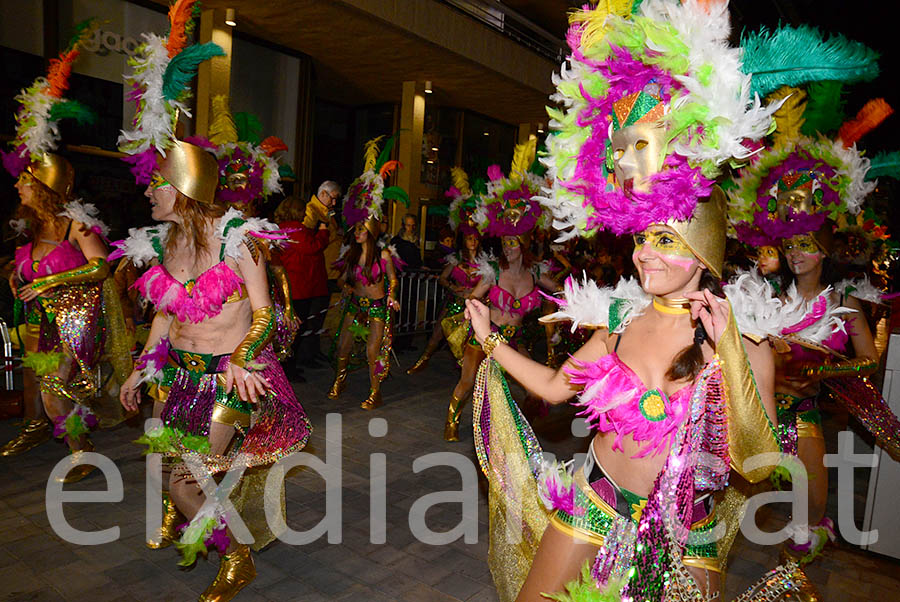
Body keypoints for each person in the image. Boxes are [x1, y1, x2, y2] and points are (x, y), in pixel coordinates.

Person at [468, 2, 791, 599]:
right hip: (593, 501)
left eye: (666, 241)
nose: (645, 255)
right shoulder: (619, 320)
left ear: (704, 251)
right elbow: (554, 388)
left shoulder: (743, 342)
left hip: (680, 536)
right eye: (643, 239)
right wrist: (490, 338)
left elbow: (763, 465)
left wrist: (732, 358)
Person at [114, 12, 310, 600]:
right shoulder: (162, 244)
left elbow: (265, 312)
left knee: (183, 481)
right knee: (171, 474)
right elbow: (164, 315)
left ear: (184, 187)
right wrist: (140, 365)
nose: (147, 191)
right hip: (180, 375)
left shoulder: (238, 241)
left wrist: (246, 358)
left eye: (156, 182)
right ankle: (205, 524)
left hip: (229, 377)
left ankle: (237, 557)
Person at [0, 29, 130, 479]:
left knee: (57, 388)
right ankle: (40, 428)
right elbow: (27, 267)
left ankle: (82, 451)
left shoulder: (78, 223)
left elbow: (100, 267)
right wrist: (17, 277)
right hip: (39, 319)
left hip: (75, 319)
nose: (17, 184)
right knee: (39, 382)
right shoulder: (30, 227)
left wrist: (50, 282)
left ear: (44, 188)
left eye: (24, 180)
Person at [442, 146, 557, 442]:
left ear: (525, 242)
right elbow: (474, 296)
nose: (508, 246)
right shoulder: (492, 269)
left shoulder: (535, 274)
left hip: (513, 340)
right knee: (467, 383)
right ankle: (451, 422)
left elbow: (561, 292)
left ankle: (515, 430)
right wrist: (470, 307)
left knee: (536, 389)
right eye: (505, 241)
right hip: (485, 337)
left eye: (513, 242)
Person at [328, 135, 407, 409]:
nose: (358, 232)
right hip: (354, 305)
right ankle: (340, 379)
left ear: (371, 231)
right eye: (356, 229)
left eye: (363, 229)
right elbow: (341, 279)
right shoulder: (348, 254)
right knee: (343, 347)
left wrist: (391, 295)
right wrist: (345, 288)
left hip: (376, 306)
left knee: (373, 350)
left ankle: (376, 391)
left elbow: (393, 279)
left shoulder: (383, 254)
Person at [408, 168, 482, 374]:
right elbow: (442, 278)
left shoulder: (485, 262)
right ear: (464, 240)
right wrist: (454, 287)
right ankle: (423, 360)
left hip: (473, 309)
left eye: (475, 238)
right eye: (469, 238)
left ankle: (467, 370)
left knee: (471, 341)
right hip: (454, 303)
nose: (473, 242)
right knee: (436, 335)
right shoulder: (455, 259)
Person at [277, 181, 340, 377]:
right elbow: (311, 246)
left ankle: (291, 363)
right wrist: (323, 231)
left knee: (296, 326)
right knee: (296, 328)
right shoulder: (295, 229)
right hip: (298, 284)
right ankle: (289, 366)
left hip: (298, 283)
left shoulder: (286, 228)